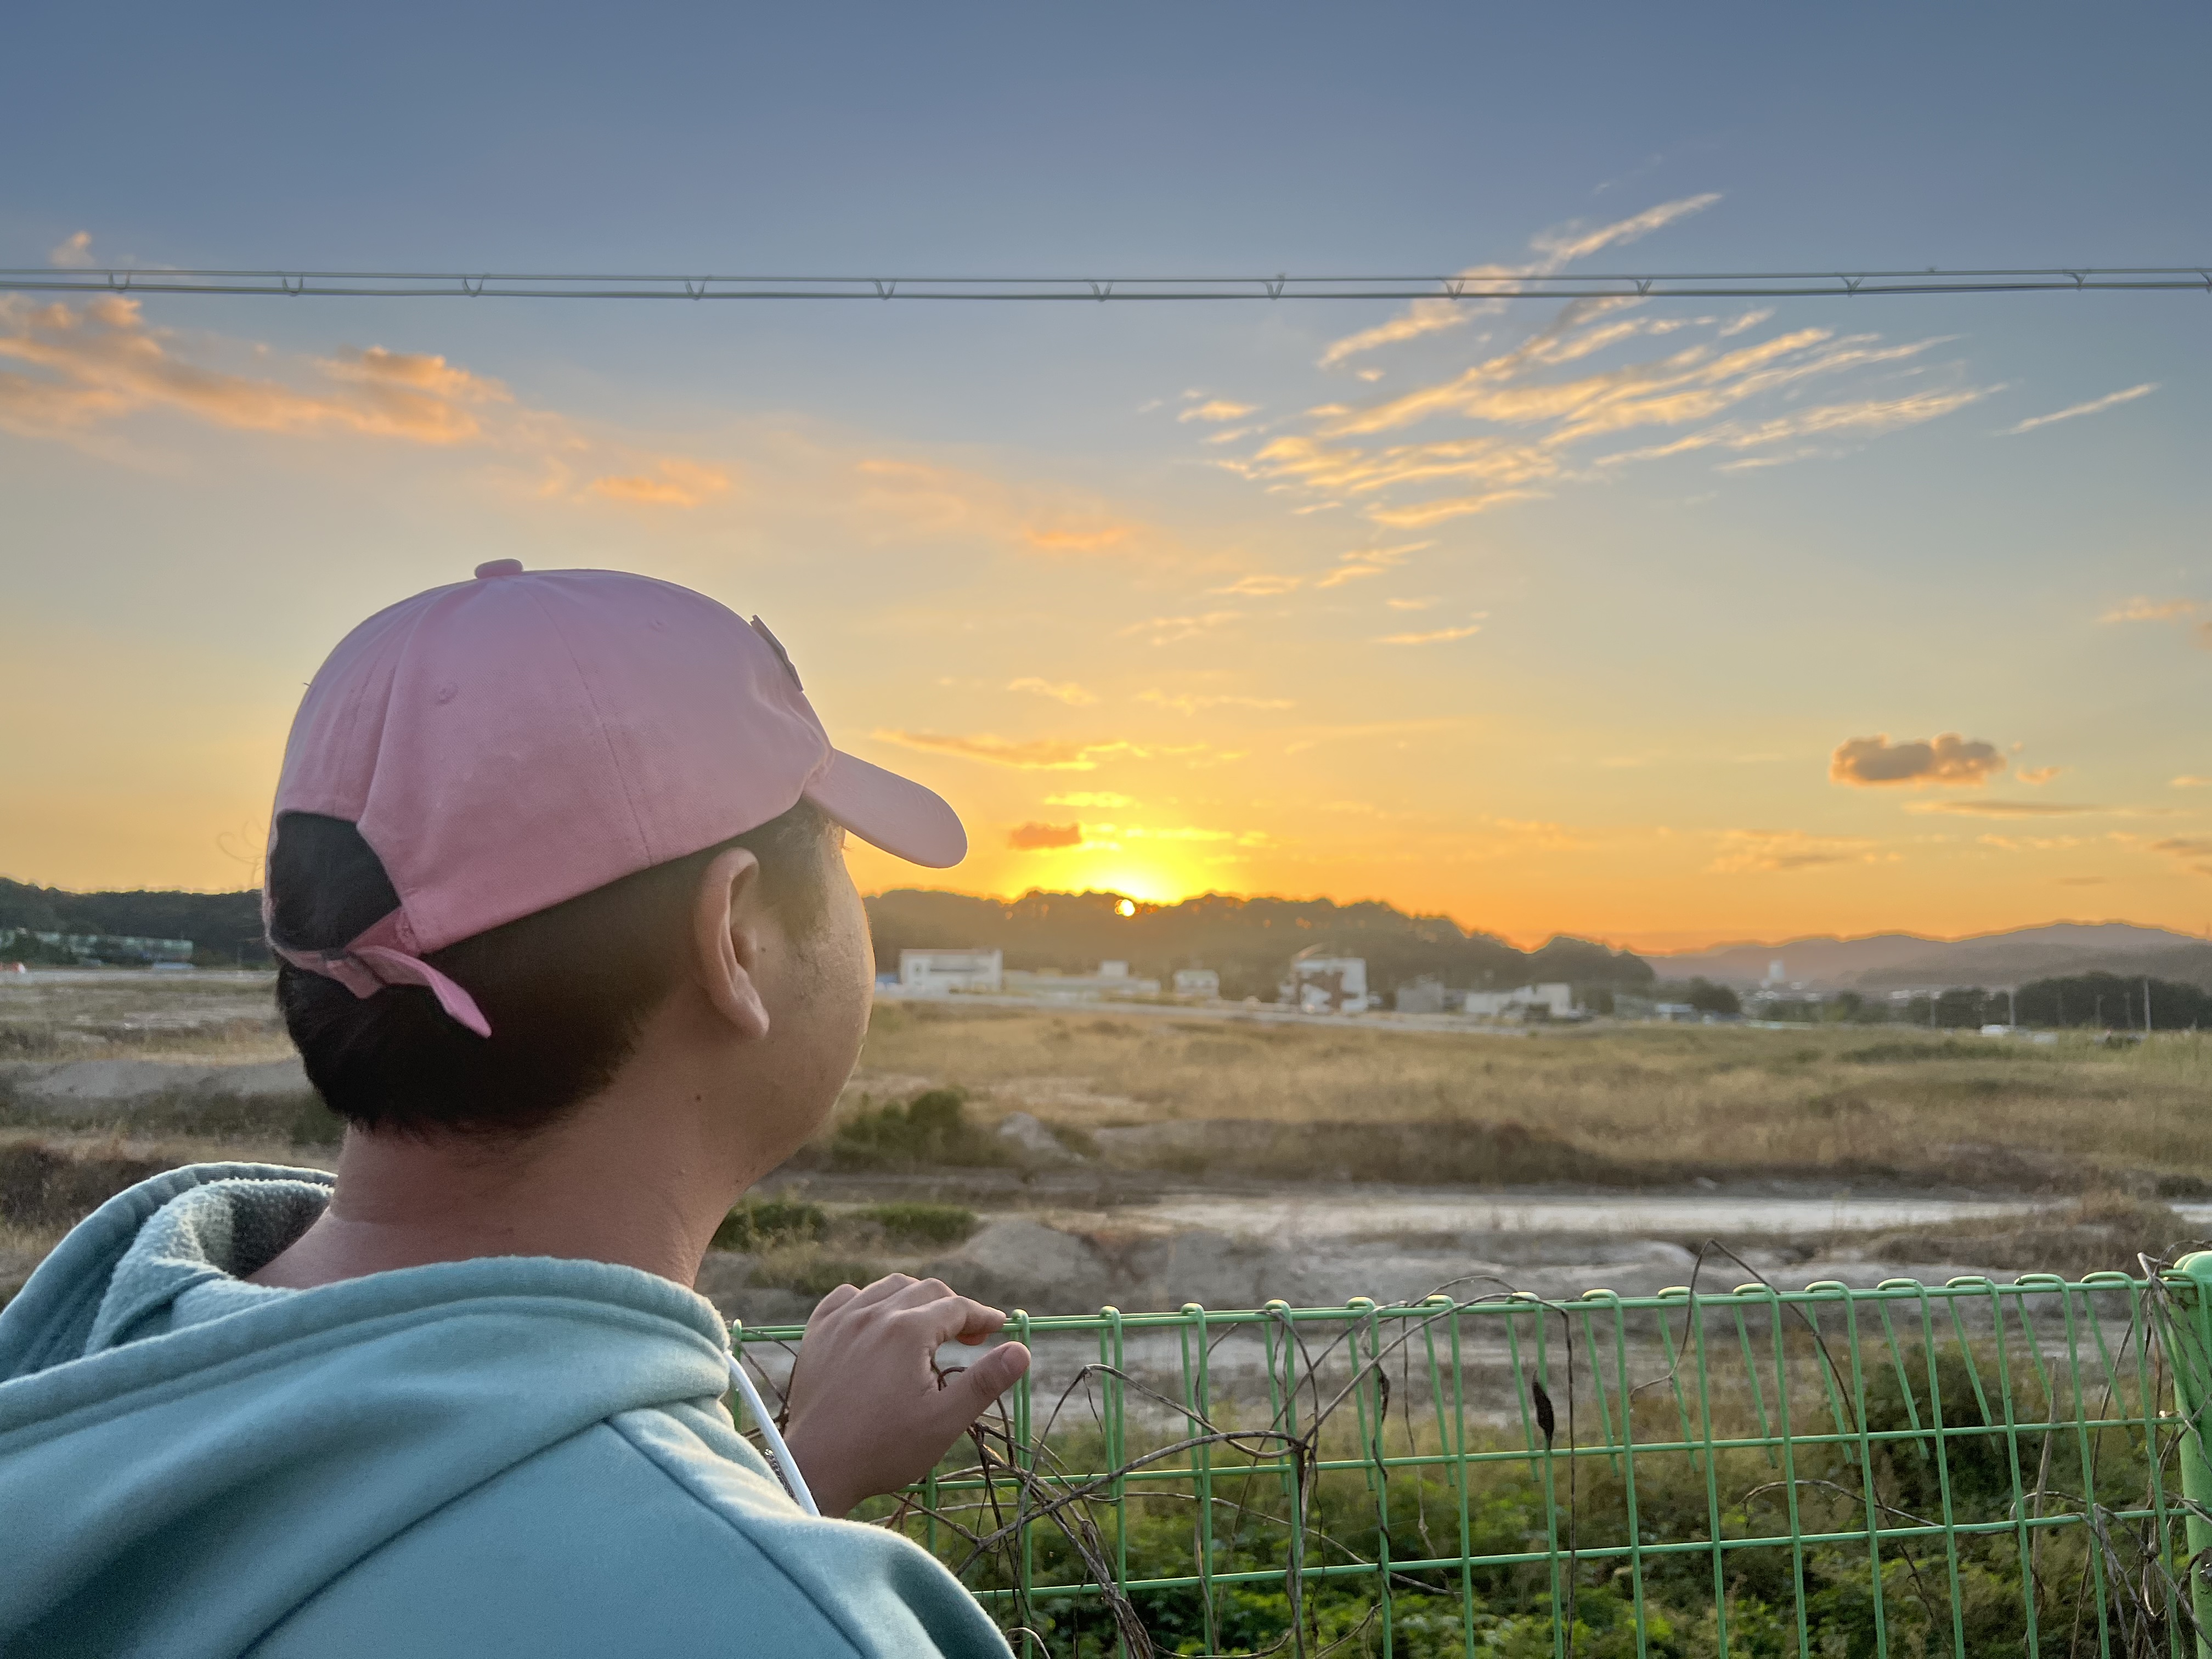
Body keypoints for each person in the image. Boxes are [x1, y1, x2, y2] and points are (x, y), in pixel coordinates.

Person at [0, 563, 1030, 1657]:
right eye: (836, 856)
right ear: (735, 937)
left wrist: (780, 1490)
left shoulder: (99, 1374)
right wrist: (758, 1565)